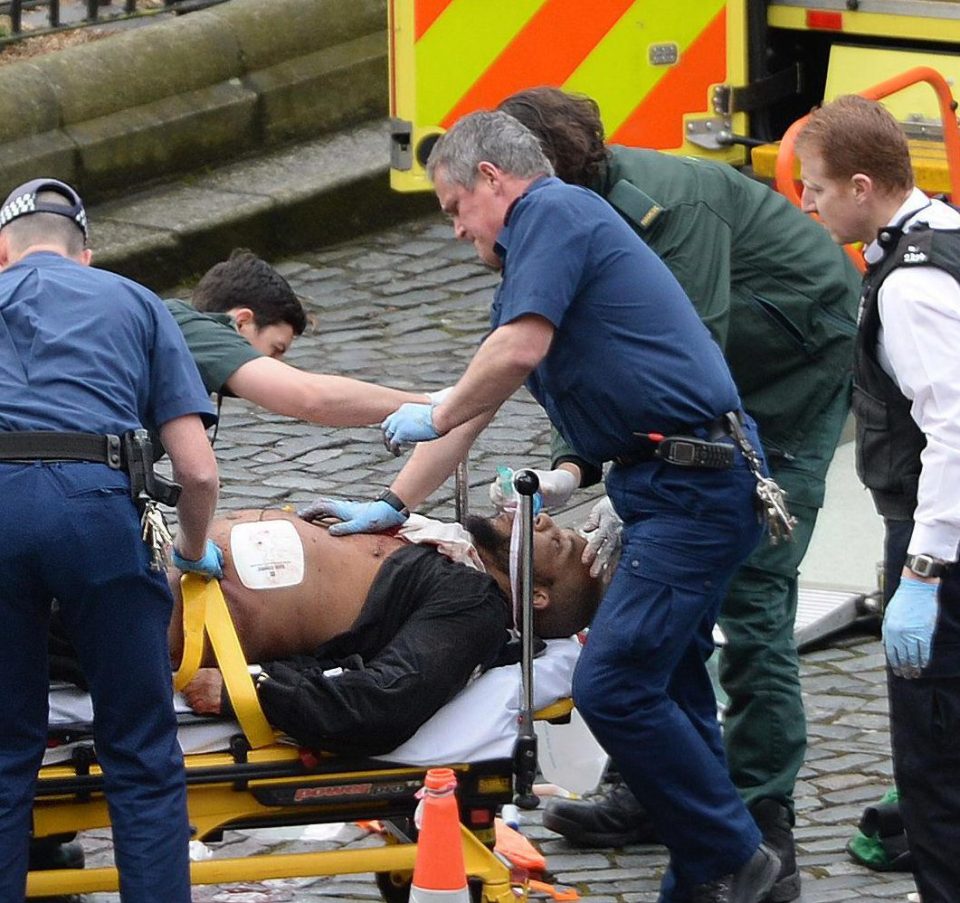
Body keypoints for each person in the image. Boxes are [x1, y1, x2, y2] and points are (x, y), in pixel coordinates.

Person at [306, 111, 779, 902]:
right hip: (666, 482)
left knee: (616, 683)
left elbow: (509, 360)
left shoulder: (552, 212)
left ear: (493, 177)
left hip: (693, 487)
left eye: (455, 207)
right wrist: (391, 502)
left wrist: (443, 406)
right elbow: (479, 401)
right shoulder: (540, 250)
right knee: (670, 680)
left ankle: (738, 857)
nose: (456, 230)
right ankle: (706, 876)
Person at [488, 86, 861, 898]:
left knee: (752, 590)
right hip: (697, 406)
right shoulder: (565, 219)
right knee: (667, 603)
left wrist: (623, 480)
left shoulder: (668, 216)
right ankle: (668, 790)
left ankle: (760, 820)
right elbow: (580, 363)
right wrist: (579, 465)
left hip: (789, 368)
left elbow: (679, 359)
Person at [0, 178, 221, 902]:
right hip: (98, 508)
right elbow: (196, 470)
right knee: (140, 748)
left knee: (4, 752)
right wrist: (190, 553)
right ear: (86, 256)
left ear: (4, 252)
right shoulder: (136, 302)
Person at [795, 95, 960, 902]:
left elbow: (954, 430)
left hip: (940, 544)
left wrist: (924, 570)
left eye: (815, 188)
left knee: (935, 750)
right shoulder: (948, 236)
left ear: (862, 186)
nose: (806, 202)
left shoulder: (911, 287)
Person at [170, 506, 603, 755]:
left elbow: (384, 704)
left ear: (537, 598)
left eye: (557, 542)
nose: (542, 519)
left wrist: (252, 689)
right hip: (168, 567)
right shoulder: (454, 555)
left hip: (169, 615)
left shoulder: (475, 605)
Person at [165, 248, 427, 428]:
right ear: (241, 322)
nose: (275, 364)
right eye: (275, 349)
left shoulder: (182, 344)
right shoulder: (198, 334)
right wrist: (430, 404)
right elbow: (312, 397)